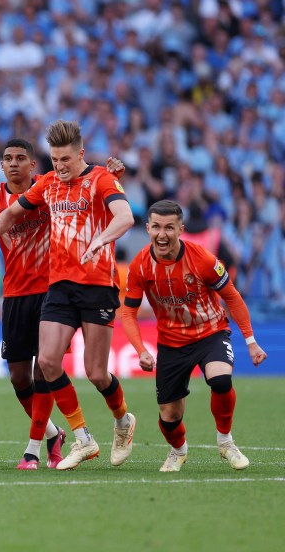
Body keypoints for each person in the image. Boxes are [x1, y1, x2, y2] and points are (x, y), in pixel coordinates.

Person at [0, 139, 125, 469]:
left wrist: (112, 177)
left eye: (20, 158)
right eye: (7, 159)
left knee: (45, 366)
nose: (13, 163)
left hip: (53, 290)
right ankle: (52, 434)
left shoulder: (53, 186)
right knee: (19, 377)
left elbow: (92, 196)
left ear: (34, 165)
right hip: (15, 293)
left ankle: (33, 449)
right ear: (1, 166)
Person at [120, 200, 267, 472]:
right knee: (169, 417)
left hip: (210, 332)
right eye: (156, 227)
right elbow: (128, 313)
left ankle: (225, 441)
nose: (162, 234)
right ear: (147, 228)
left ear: (181, 229)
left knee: (220, 379)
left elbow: (232, 297)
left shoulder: (203, 259)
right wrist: (140, 349)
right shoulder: (139, 266)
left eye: (169, 228)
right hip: (171, 343)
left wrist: (250, 340)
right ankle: (178, 450)